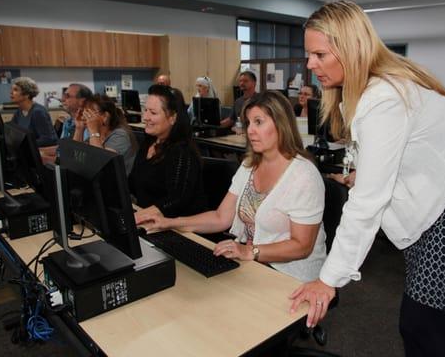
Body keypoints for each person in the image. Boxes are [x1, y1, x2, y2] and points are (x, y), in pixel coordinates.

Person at [289, 1, 445, 357]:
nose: (310, 65)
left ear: (351, 49)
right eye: (309, 54)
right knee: (427, 318)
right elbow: (402, 153)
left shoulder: (383, 96)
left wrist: (328, 280)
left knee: (435, 321)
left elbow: (368, 202)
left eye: (319, 55)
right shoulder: (363, 92)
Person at [134, 91, 327, 283]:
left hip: (292, 276)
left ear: (281, 124)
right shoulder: (250, 165)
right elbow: (221, 217)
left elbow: (302, 246)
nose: (250, 130)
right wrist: (167, 222)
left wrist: (250, 251)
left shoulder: (304, 175)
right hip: (256, 265)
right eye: (248, 123)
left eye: (258, 122)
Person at [128, 85, 206, 218]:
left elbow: (176, 201)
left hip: (174, 226)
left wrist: (137, 217)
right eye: (145, 110)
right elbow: (133, 184)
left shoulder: (182, 152)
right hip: (149, 218)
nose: (145, 117)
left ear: (172, 118)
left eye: (153, 113)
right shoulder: (149, 143)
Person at [77, 94, 138, 176]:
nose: (86, 117)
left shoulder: (120, 135)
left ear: (105, 116)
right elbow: (75, 157)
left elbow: (100, 166)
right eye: (85, 113)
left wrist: (93, 131)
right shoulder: (97, 136)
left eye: (90, 113)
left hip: (116, 185)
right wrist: (79, 128)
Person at [10, 77, 58, 147]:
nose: (11, 92)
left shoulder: (38, 112)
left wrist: (24, 144)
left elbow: (49, 139)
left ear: (26, 95)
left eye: (16, 90)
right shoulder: (19, 111)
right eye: (12, 89)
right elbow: (12, 131)